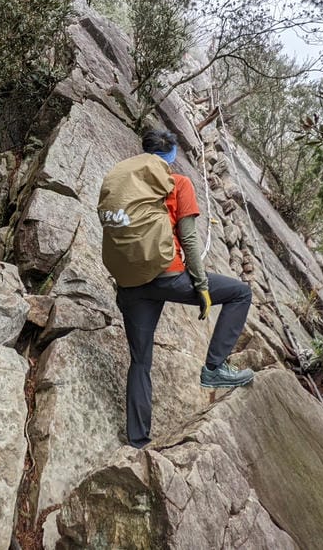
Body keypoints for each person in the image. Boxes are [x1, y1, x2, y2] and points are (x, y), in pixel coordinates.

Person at [101, 129, 254, 449]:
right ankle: (214, 368)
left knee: (140, 362)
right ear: (170, 156)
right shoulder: (178, 183)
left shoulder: (127, 184)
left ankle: (138, 442)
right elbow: (189, 239)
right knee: (240, 292)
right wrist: (201, 287)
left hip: (131, 285)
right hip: (168, 277)